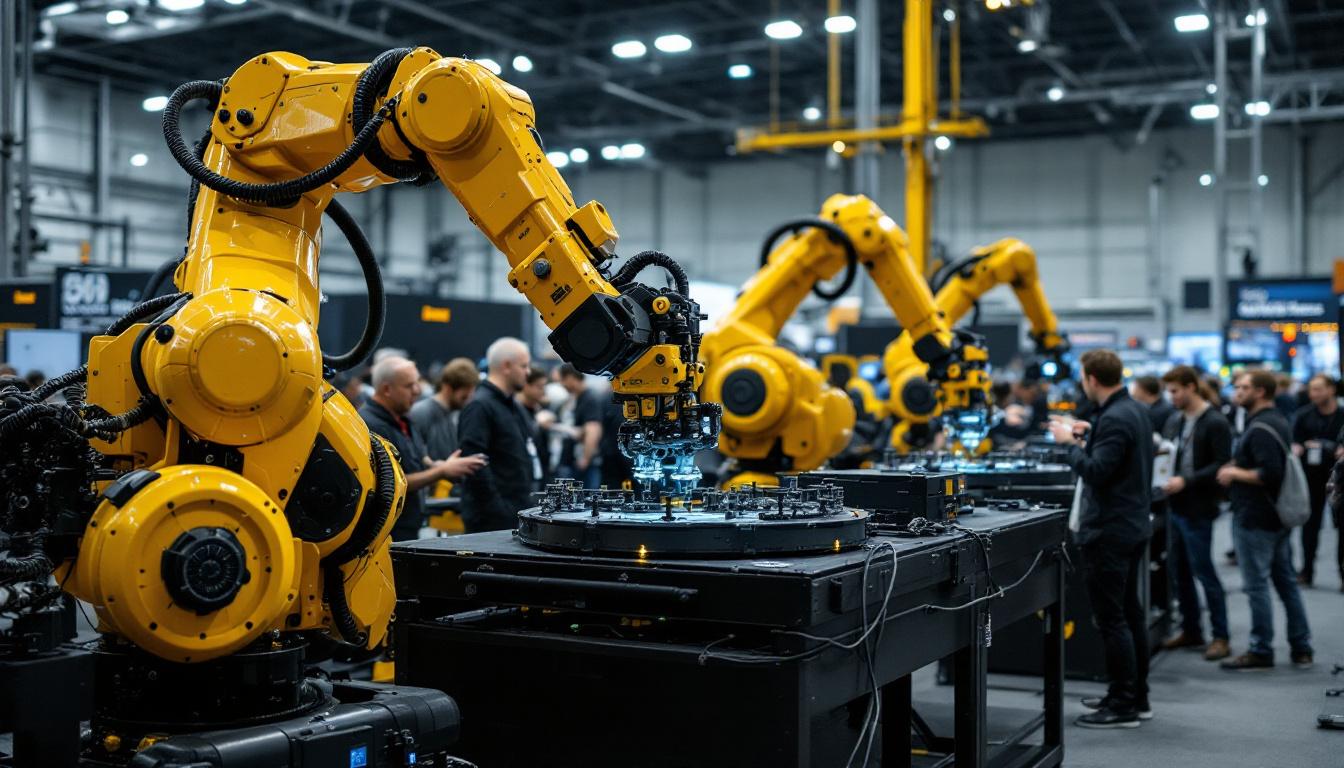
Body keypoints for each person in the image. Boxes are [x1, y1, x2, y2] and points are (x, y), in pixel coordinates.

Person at [1048, 349, 1153, 729]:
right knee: (1129, 614)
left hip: (1110, 530)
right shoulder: (1134, 410)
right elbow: (1117, 453)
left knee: (1112, 620)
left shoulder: (1116, 417)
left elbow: (1096, 471)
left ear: (1091, 379)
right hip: (1132, 524)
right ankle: (1134, 696)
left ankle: (1123, 704)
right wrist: (1087, 433)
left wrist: (1068, 444)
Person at [1216, 369, 1313, 670]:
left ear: (1260, 392)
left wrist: (1233, 472)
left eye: (1244, 387)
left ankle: (1261, 649)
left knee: (1257, 585)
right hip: (1275, 517)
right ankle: (1301, 646)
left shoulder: (1260, 427)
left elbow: (1270, 473)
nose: (1237, 391)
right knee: (1285, 583)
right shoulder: (1276, 421)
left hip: (1256, 517)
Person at [359, 356, 485, 541]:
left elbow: (418, 458)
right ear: (387, 389)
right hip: (386, 534)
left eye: (417, 383)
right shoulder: (371, 425)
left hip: (408, 524)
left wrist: (439, 465)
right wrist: (441, 471)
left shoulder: (402, 418)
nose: (418, 390)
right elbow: (391, 483)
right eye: (409, 386)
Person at [1158, 366, 1233, 661]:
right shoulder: (1174, 420)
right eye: (1169, 391)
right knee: (1179, 571)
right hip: (1175, 505)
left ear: (1191, 387)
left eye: (1175, 391)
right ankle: (1192, 630)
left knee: (1204, 571)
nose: (1171, 396)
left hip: (1199, 507)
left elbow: (1222, 464)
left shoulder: (1215, 421)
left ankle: (1221, 636)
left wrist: (1186, 481)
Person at [457, 338, 542, 533]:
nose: (528, 372)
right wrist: (499, 509)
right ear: (506, 366)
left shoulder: (513, 406)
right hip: (491, 520)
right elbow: (474, 463)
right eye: (524, 366)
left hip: (516, 511)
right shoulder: (480, 406)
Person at [1291, 373, 1344, 587]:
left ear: (1331, 390)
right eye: (1312, 389)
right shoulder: (1303, 415)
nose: (1314, 394)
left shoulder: (1341, 415)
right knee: (1309, 525)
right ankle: (1307, 570)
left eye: (1319, 389)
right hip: (1311, 476)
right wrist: (1299, 447)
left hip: (1340, 478)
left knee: (1341, 526)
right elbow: (1294, 442)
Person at [408, 357, 479, 462]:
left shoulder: (455, 413)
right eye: (464, 397)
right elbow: (413, 457)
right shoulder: (420, 412)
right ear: (448, 388)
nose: (467, 401)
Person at [555, 363, 605, 488]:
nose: (562, 384)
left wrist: (586, 459)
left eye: (563, 380)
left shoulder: (589, 398)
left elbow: (593, 429)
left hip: (584, 465)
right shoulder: (577, 398)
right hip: (576, 461)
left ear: (571, 377)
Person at [517, 366, 555, 485]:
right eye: (539, 387)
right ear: (526, 385)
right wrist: (536, 425)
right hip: (523, 475)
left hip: (541, 471)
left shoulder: (539, 409)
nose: (543, 392)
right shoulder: (516, 411)